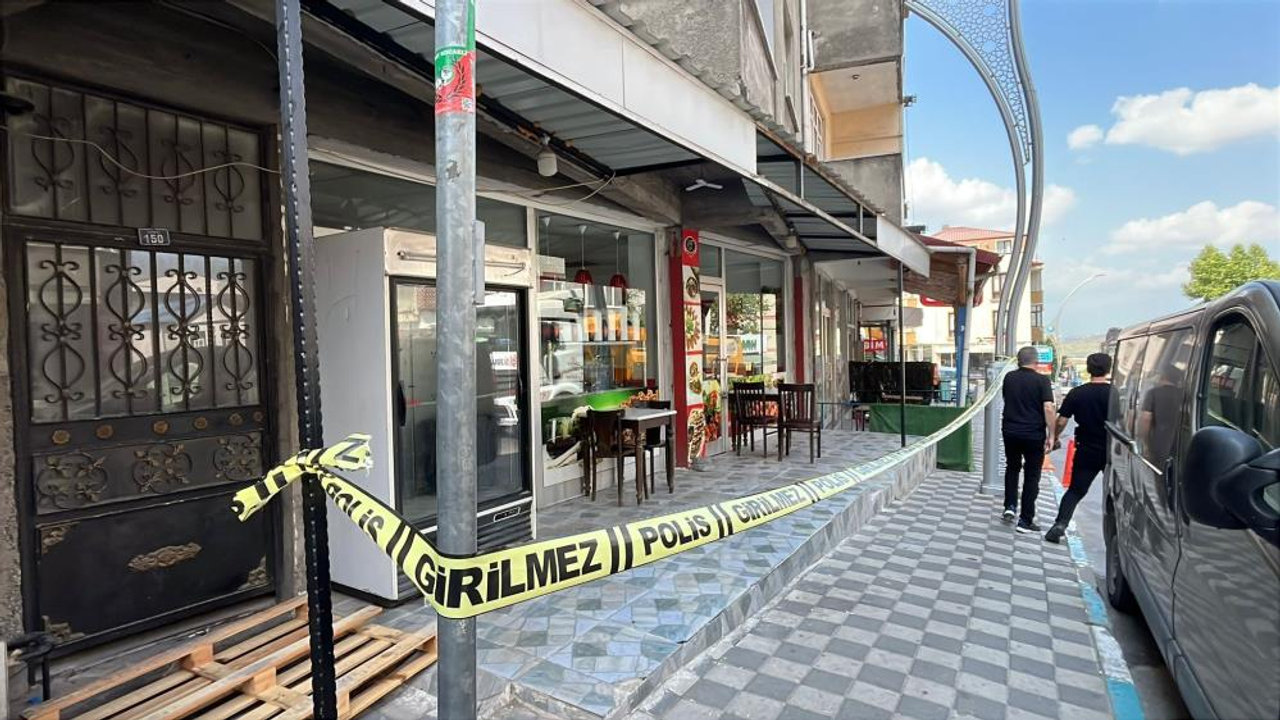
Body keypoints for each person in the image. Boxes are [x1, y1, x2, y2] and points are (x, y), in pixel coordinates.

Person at [1044, 353, 1113, 544]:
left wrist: (1054, 437)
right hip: (1112, 451)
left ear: (1089, 369)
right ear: (1108, 369)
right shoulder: (1116, 394)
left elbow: (1061, 420)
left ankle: (1060, 524)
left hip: (1086, 448)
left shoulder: (1077, 393)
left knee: (1075, 490)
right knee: (1117, 495)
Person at [1002, 346, 1056, 533]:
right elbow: (1048, 408)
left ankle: (1010, 506)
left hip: (1010, 431)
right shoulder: (1042, 380)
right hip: (1033, 434)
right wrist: (1052, 434)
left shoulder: (1009, 378)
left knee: (1012, 467)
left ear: (1019, 360)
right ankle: (1025, 520)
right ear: (1036, 361)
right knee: (1032, 475)